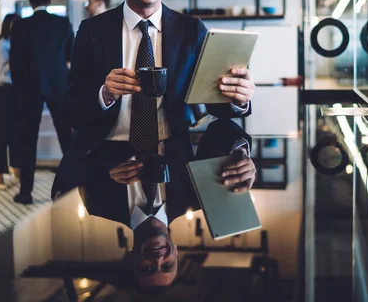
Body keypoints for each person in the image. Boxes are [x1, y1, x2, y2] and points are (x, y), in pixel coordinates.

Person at [51, 0, 255, 199]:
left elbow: (215, 103)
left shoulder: (192, 30)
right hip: (104, 158)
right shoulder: (92, 31)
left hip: (175, 159)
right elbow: (70, 110)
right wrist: (104, 94)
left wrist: (238, 97)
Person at [79, 119, 256, 289]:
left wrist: (104, 171)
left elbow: (76, 148)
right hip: (168, 95)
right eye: (168, 265)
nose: (158, 260)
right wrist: (239, 153)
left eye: (147, 269)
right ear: (176, 253)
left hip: (115, 99)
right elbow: (221, 128)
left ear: (131, 259)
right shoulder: (196, 197)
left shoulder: (97, 204)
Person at [10, 0, 74, 204]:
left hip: (29, 89)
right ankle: (71, 188)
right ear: (48, 1)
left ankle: (26, 192)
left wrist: (19, 91)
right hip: (59, 87)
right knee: (66, 138)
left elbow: (15, 63)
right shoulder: (62, 23)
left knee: (28, 140)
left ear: (30, 1)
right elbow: (69, 56)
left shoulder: (19, 26)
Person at [0, 13, 21, 190]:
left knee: (17, 133)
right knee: (2, 134)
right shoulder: (1, 45)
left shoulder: (15, 44)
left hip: (17, 91)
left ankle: (16, 172)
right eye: (14, 25)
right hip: (5, 90)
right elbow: (5, 68)